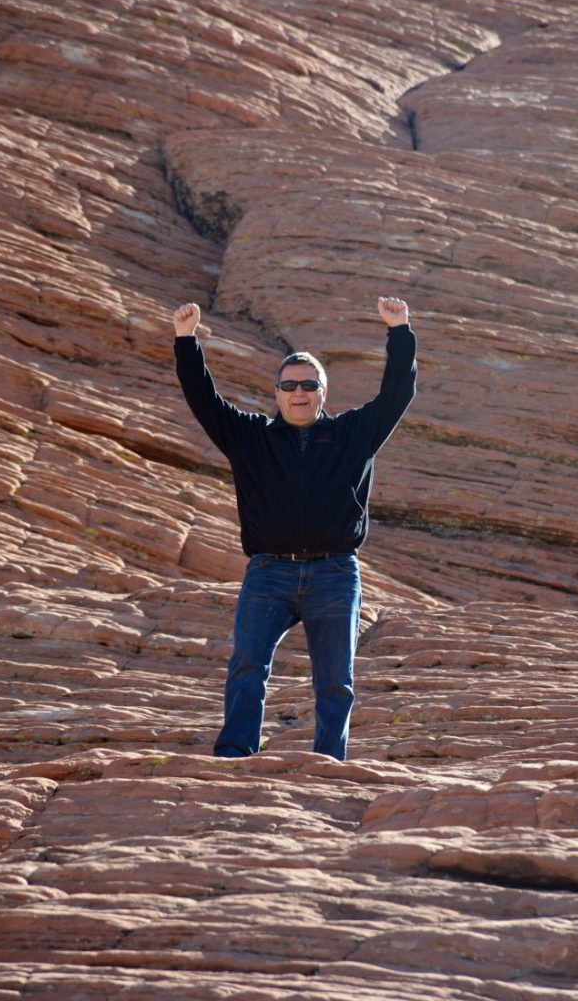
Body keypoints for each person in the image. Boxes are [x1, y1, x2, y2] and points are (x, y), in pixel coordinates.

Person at [173, 297, 416, 760]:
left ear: (323, 391)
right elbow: (203, 400)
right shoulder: (250, 437)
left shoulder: (353, 434)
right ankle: (235, 754)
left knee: (335, 680)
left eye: (308, 384)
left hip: (334, 573)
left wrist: (399, 331)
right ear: (277, 393)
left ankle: (327, 761)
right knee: (246, 665)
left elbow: (397, 395)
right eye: (289, 386)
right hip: (269, 572)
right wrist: (186, 341)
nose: (298, 392)